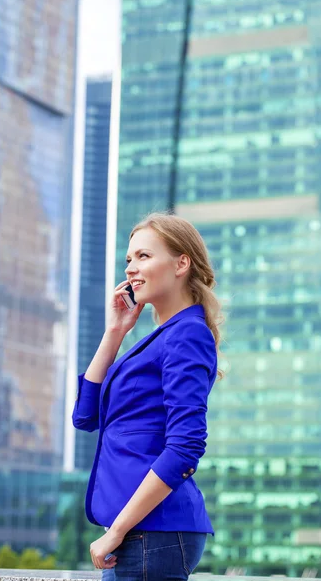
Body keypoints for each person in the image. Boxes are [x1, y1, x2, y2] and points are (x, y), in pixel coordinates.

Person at [72, 212, 224, 580]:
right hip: (141, 532)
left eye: (143, 256)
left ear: (181, 264)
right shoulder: (157, 339)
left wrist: (118, 530)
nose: (130, 269)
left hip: (151, 531)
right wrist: (115, 332)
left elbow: (186, 446)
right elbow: (85, 416)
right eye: (128, 260)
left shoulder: (187, 334)